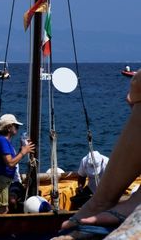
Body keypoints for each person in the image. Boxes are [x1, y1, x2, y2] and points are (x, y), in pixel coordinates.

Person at [59, 69, 141, 235]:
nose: (128, 100)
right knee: (138, 83)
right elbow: (81, 177)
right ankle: (101, 201)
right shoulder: (92, 161)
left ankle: (116, 200)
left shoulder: (99, 161)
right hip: (95, 192)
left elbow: (81, 177)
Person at [0, 114, 35, 214]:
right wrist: (23, 152)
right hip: (0, 181)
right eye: (16, 126)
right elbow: (10, 163)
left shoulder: (2, 141)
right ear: (9, 128)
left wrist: (22, 149)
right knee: (2, 210)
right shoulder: (2, 141)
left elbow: (10, 160)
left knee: (3, 208)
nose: (17, 128)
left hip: (3, 181)